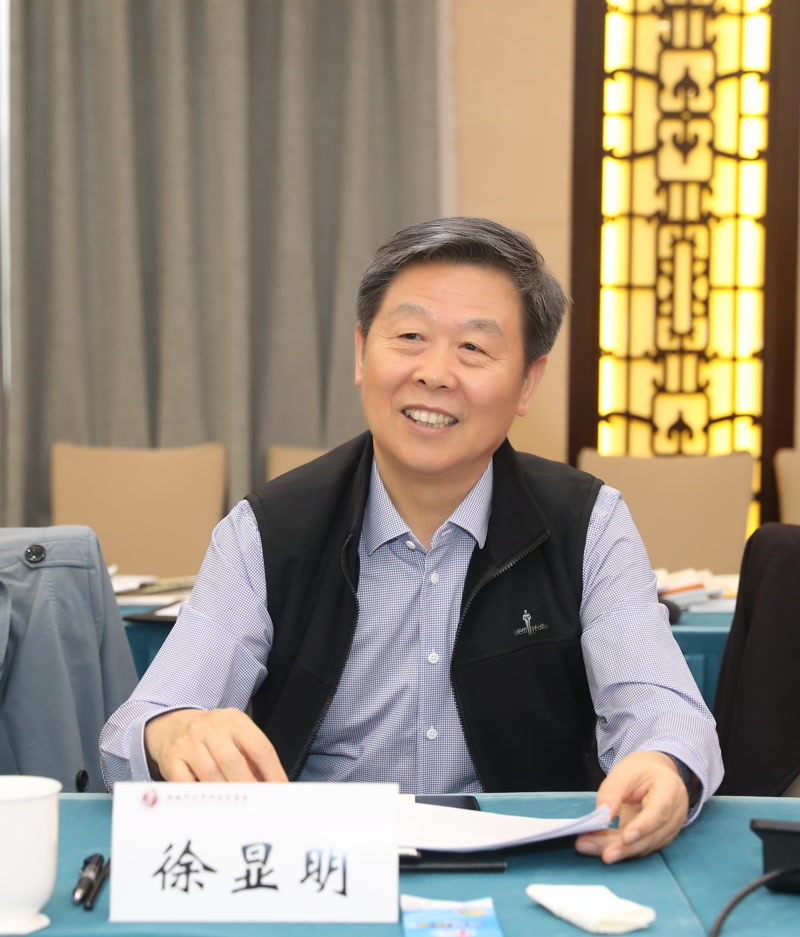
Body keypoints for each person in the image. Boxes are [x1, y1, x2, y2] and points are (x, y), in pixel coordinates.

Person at [100, 216, 723, 864]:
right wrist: (171, 733)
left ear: (528, 383)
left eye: (473, 348)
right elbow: (136, 729)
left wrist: (664, 763)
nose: (435, 373)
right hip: (320, 870)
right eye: (410, 337)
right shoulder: (267, 528)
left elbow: (664, 708)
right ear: (361, 352)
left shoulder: (588, 523)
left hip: (529, 866)